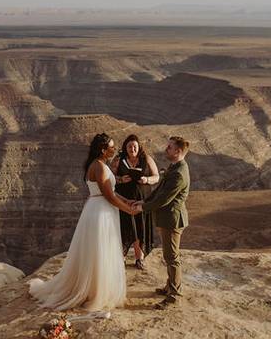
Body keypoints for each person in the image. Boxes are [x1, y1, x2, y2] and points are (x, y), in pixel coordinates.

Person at [29, 132, 140, 310]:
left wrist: (126, 201)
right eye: (111, 147)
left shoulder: (97, 164)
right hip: (101, 212)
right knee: (101, 250)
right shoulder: (101, 167)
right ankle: (96, 292)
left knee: (97, 250)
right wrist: (128, 210)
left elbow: (108, 190)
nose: (114, 149)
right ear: (103, 150)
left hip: (97, 207)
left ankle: (95, 287)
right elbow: (109, 196)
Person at [133, 136, 190, 310]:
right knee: (169, 255)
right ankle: (169, 287)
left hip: (173, 220)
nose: (166, 149)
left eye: (170, 147)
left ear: (178, 151)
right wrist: (144, 201)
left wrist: (143, 209)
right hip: (167, 218)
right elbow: (159, 190)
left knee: (172, 258)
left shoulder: (179, 173)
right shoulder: (175, 167)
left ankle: (174, 296)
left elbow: (164, 199)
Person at [112, 134, 159, 270]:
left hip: (142, 201)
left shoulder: (147, 159)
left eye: (134, 146)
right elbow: (109, 177)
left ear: (139, 147)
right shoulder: (118, 159)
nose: (132, 148)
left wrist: (146, 180)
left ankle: (139, 259)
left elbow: (156, 176)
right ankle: (122, 259)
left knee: (140, 228)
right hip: (123, 200)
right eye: (129, 146)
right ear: (125, 147)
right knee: (124, 227)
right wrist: (121, 179)